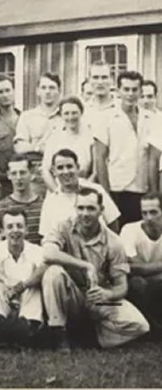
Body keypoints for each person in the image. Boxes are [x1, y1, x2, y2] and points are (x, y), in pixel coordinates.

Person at [41, 187, 149, 350]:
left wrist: (108, 293)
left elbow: (121, 286)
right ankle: (59, 334)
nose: (85, 213)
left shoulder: (114, 242)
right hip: (71, 297)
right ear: (75, 208)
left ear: (101, 211)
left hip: (99, 300)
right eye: (81, 208)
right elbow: (48, 253)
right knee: (53, 273)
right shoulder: (63, 227)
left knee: (139, 325)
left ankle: (91, 338)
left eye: (91, 208)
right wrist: (85, 265)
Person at [93, 70, 159, 225]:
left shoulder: (152, 119)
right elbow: (100, 159)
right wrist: (106, 195)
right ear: (118, 91)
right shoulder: (105, 118)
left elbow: (153, 160)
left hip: (142, 190)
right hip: (117, 190)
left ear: (140, 91)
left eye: (134, 90)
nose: (130, 94)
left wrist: (154, 193)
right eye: (126, 89)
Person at [0, 210, 46, 347]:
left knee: (36, 277)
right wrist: (5, 280)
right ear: (2, 232)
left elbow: (44, 268)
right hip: (4, 297)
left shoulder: (36, 250)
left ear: (26, 230)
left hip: (26, 298)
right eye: (10, 227)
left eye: (19, 226)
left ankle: (28, 324)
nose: (15, 230)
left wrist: (22, 286)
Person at [39, 149, 120, 238]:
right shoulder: (50, 202)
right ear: (54, 171)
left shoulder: (96, 190)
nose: (66, 171)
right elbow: (46, 236)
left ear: (77, 167)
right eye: (60, 168)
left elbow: (113, 223)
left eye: (69, 166)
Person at [120, 192, 162, 331]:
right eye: (144, 213)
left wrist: (144, 269)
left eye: (153, 212)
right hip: (137, 282)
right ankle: (148, 325)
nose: (148, 218)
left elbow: (141, 267)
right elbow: (133, 267)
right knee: (138, 284)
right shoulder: (130, 230)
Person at [14, 72, 61, 193]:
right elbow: (19, 147)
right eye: (43, 88)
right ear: (37, 91)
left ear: (59, 91)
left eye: (52, 88)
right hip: (35, 174)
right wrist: (39, 148)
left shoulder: (66, 116)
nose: (47, 92)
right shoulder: (27, 116)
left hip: (61, 173)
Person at [0, 155, 43, 245]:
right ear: (8, 175)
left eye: (22, 173)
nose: (18, 178)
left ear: (32, 174)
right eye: (14, 173)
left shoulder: (44, 207)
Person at [42, 96, 94, 190]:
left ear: (81, 113)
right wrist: (58, 192)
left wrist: (84, 191)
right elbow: (46, 170)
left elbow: (96, 172)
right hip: (59, 190)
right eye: (66, 113)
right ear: (61, 115)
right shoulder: (54, 138)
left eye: (74, 113)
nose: (70, 117)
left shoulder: (90, 137)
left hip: (85, 190)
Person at [85, 61, 116, 129]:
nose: (100, 82)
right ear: (89, 80)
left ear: (111, 80)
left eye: (104, 77)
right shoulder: (83, 110)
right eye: (95, 77)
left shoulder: (121, 108)